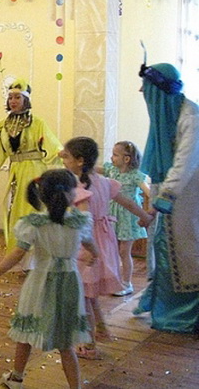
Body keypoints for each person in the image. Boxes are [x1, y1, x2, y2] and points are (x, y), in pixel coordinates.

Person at [0, 169, 98, 389]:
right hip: (69, 283)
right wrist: (95, 255)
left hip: (39, 283)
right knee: (65, 343)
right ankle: (75, 386)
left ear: (42, 194)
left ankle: (16, 378)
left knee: (26, 333)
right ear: (71, 194)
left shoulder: (34, 223)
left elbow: (16, 254)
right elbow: (90, 245)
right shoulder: (78, 222)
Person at [60, 137, 152, 359]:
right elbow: (128, 202)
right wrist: (144, 216)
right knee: (89, 293)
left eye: (67, 156)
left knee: (83, 295)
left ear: (80, 161)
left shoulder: (79, 188)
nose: (63, 160)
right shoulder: (103, 181)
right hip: (105, 239)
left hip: (88, 244)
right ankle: (101, 328)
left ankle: (89, 345)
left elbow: (82, 221)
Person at [0, 79, 62, 269]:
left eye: (17, 97)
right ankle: (23, 258)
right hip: (15, 174)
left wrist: (68, 159)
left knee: (34, 210)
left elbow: (52, 145)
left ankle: (38, 259)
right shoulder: (2, 126)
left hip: (35, 173)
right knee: (15, 213)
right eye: (10, 98)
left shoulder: (37, 123)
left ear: (26, 100)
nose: (13, 101)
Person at [134, 62, 199, 334]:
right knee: (165, 246)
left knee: (185, 250)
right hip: (173, 194)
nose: (142, 92)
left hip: (188, 195)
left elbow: (185, 161)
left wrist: (165, 197)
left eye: (146, 89)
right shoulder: (169, 115)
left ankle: (183, 313)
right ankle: (165, 307)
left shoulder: (190, 116)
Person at [100, 141, 150, 296]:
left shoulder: (135, 175)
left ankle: (127, 283)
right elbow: (95, 169)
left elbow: (147, 191)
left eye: (115, 155)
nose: (111, 157)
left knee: (124, 251)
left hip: (128, 217)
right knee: (112, 249)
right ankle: (113, 279)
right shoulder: (111, 170)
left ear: (127, 159)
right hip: (112, 214)